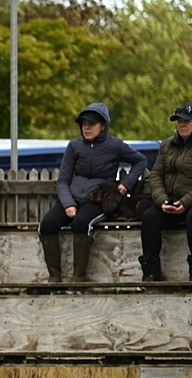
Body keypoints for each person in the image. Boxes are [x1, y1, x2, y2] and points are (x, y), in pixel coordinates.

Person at [38, 102, 147, 283]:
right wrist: (68, 204)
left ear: (102, 126)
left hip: (98, 200)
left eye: (91, 124)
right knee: (47, 224)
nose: (86, 128)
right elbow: (63, 180)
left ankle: (78, 278)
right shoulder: (74, 146)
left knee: (81, 223)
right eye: (83, 124)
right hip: (72, 199)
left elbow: (141, 161)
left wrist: (126, 184)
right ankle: (54, 277)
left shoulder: (115, 145)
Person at [139, 102, 192, 281]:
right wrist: (162, 201)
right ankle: (152, 272)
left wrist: (185, 202)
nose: (182, 125)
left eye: (187, 121)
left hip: (189, 203)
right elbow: (155, 175)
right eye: (179, 121)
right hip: (171, 202)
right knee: (149, 218)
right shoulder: (167, 144)